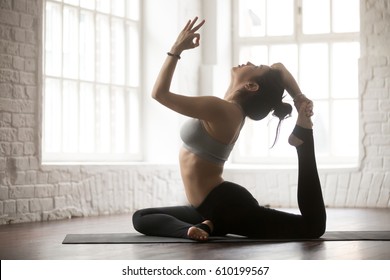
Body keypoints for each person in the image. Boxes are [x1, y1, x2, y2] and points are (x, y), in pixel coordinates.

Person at [132, 17, 326, 241]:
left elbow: (159, 94)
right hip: (205, 207)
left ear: (251, 86)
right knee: (142, 217)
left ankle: (304, 139)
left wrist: (176, 49)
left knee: (312, 227)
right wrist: (299, 98)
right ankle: (201, 229)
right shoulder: (230, 110)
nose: (249, 61)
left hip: (228, 205)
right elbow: (279, 68)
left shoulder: (223, 110)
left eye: (255, 67)